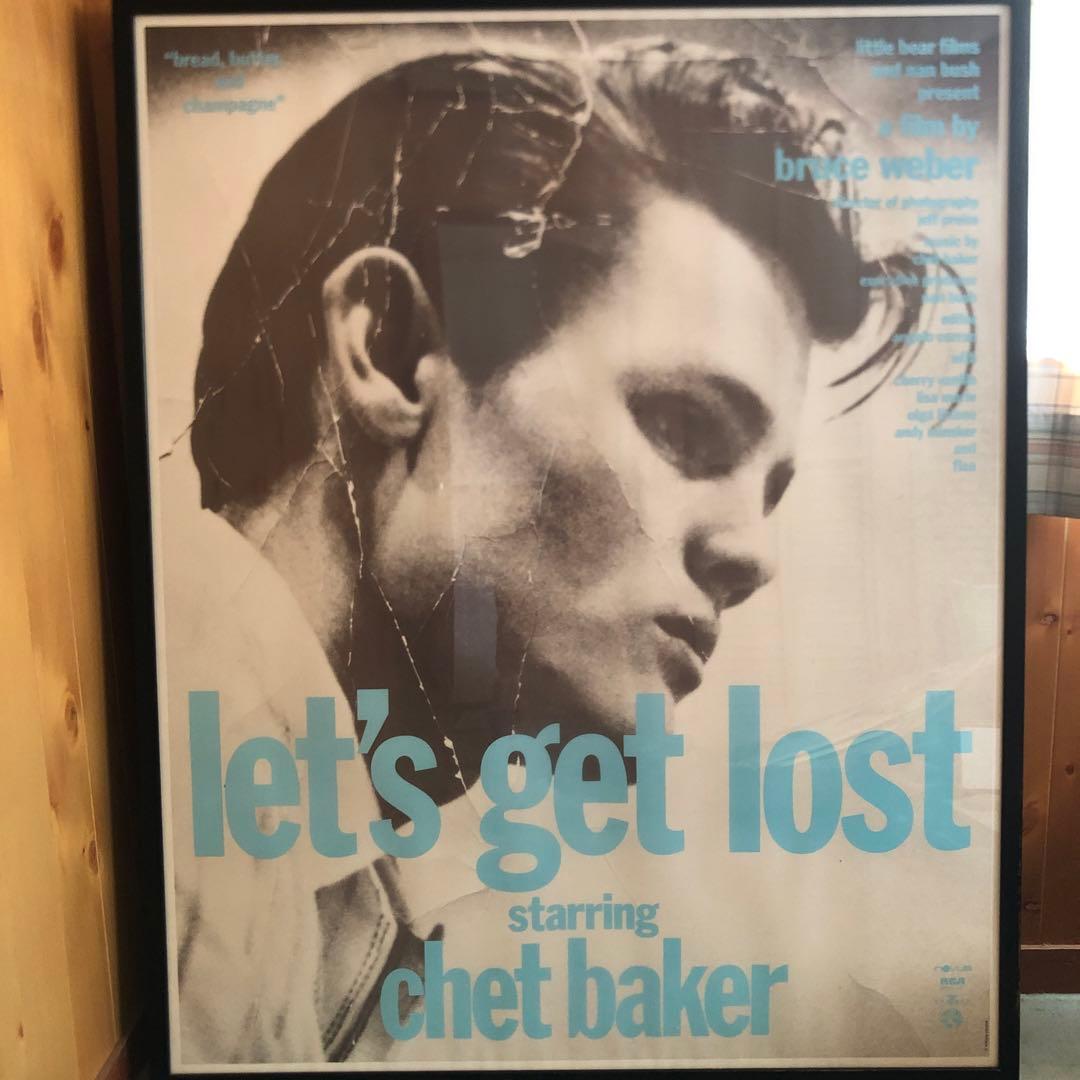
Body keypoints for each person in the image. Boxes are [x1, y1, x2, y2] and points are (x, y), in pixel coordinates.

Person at [176, 39, 935, 1063]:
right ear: (391, 351)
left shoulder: (284, 836)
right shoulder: (181, 780)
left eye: (770, 490)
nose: (753, 555)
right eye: (683, 425)